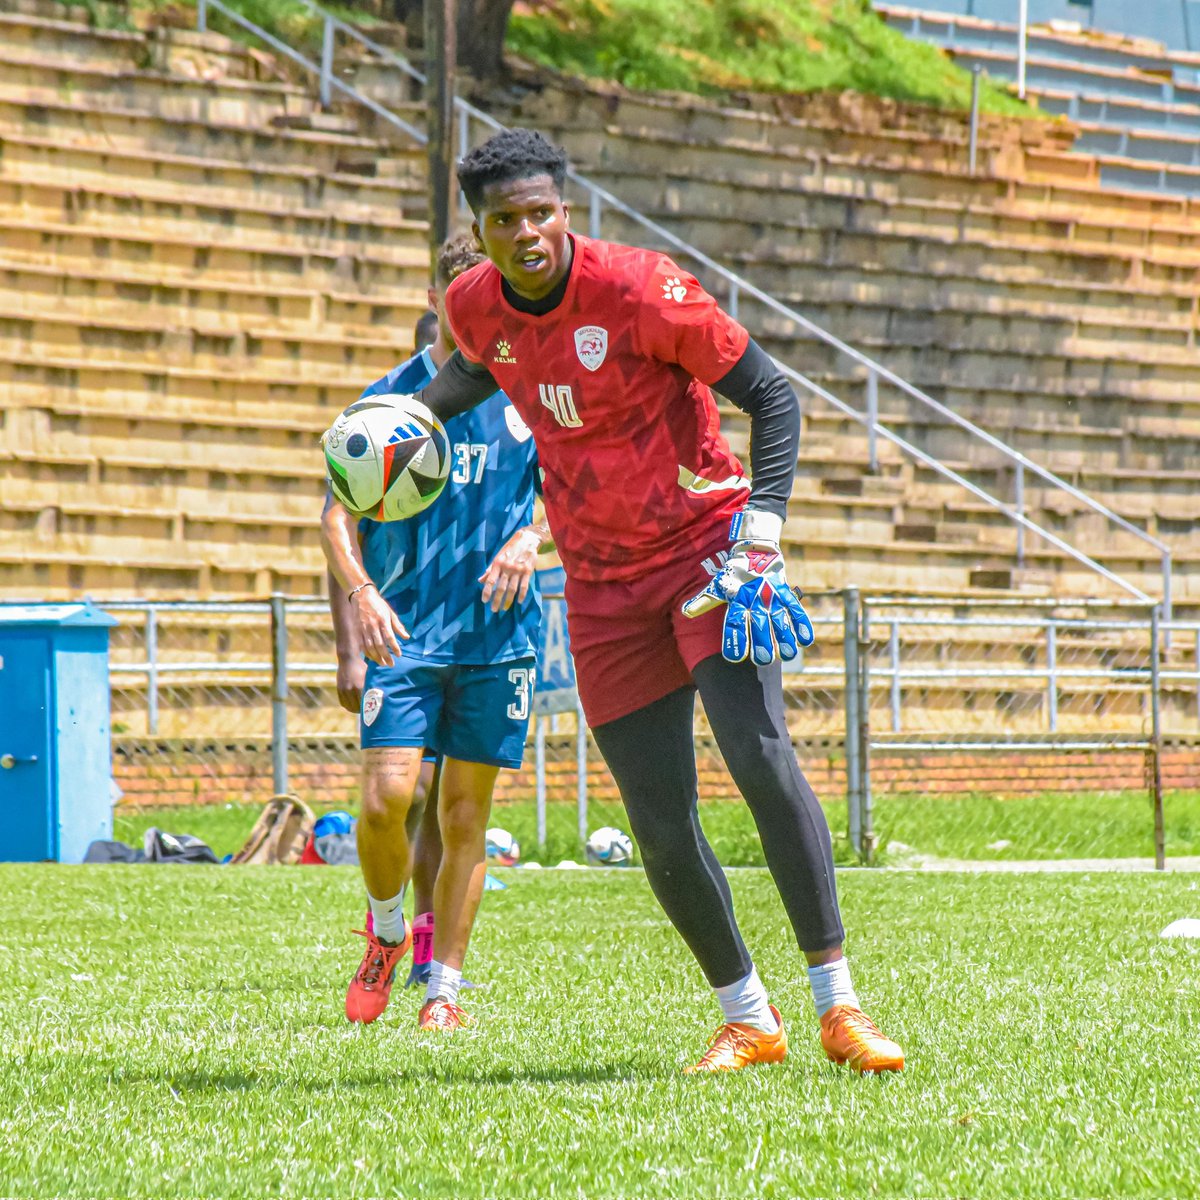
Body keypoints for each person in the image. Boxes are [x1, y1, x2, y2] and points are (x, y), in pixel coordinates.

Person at [415, 128, 904, 1073]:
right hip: (599, 587)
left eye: (542, 214)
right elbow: (484, 364)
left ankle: (838, 1008)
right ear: (481, 228)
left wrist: (761, 533)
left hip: (704, 560)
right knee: (658, 817)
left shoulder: (642, 288)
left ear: (568, 210)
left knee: (761, 763)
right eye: (505, 220)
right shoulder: (472, 303)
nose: (528, 234)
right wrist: (409, 419)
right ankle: (749, 1018)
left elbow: (772, 393)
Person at [322, 232, 550, 1032]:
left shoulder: (533, 396)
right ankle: (387, 933)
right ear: (436, 303)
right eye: (458, 300)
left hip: (498, 636)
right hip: (405, 635)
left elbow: (577, 491)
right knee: (385, 804)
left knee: (463, 821)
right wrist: (361, 597)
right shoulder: (387, 403)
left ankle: (442, 992)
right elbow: (334, 515)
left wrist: (534, 537)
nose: (474, 314)